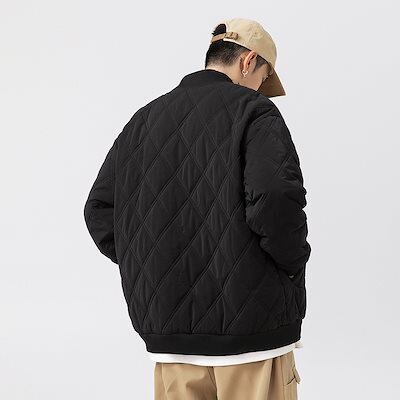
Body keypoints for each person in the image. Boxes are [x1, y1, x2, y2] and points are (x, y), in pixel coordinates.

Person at [83, 17, 311, 400]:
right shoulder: (254, 111)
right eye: (263, 78)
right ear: (248, 61)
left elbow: (100, 209)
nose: (261, 90)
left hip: (171, 340)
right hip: (252, 335)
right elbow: (274, 196)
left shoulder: (144, 120)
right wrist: (292, 262)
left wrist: (151, 263)